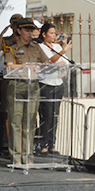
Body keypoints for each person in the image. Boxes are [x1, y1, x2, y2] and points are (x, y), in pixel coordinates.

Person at [1, 19, 45, 166]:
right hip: (17, 86)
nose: (29, 33)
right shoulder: (11, 47)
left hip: (33, 86)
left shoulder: (36, 47)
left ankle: (28, 157)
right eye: (26, 30)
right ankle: (16, 157)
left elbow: (46, 63)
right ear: (19, 31)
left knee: (30, 123)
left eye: (31, 30)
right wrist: (25, 66)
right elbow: (9, 65)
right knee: (16, 122)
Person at [36, 22, 72, 154]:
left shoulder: (56, 46)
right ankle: (43, 143)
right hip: (45, 83)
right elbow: (49, 62)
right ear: (44, 34)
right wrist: (62, 52)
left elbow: (65, 62)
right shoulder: (40, 47)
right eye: (51, 33)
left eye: (54, 33)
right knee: (47, 115)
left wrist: (61, 54)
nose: (53, 36)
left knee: (55, 115)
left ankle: (52, 143)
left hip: (58, 83)